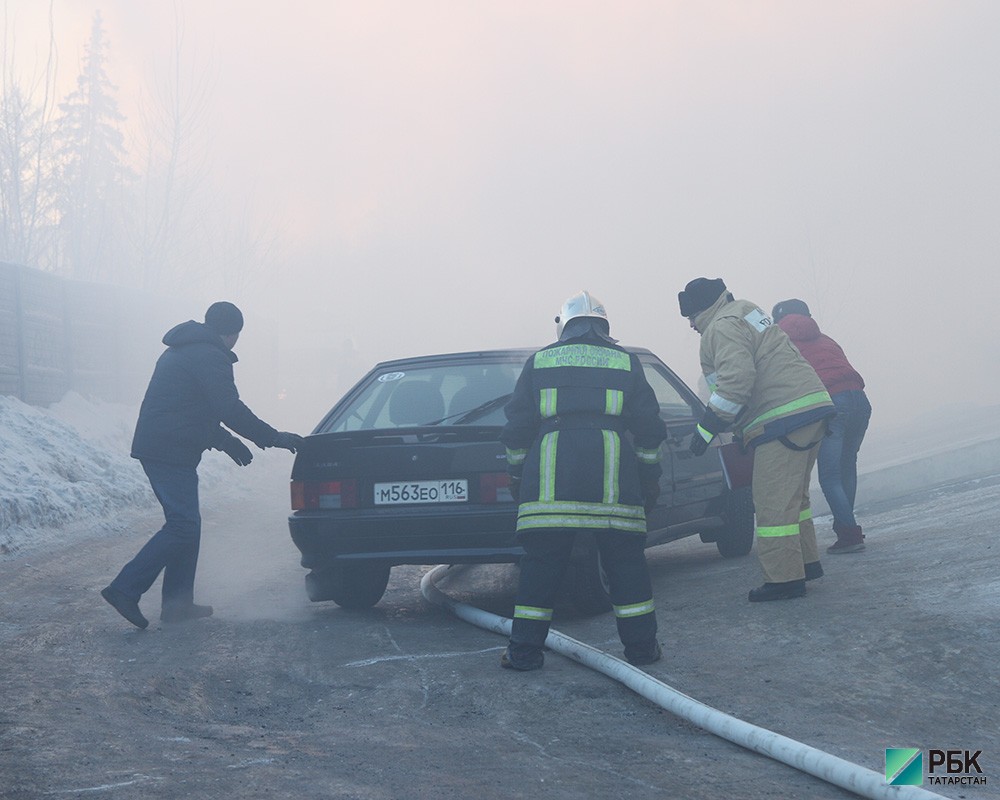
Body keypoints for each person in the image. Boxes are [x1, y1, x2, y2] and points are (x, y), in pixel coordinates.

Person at [101, 301, 305, 629]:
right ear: (233, 333)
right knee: (183, 525)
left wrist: (227, 442)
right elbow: (229, 408)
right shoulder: (209, 355)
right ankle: (125, 589)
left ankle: (177, 604)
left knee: (187, 524)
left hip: (167, 446)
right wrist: (273, 437)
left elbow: (191, 409)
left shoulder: (186, 350)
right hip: (168, 449)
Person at [499, 290, 667, 670]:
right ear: (605, 328)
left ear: (563, 326)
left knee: (540, 570)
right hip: (614, 489)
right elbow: (649, 429)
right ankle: (643, 650)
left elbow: (517, 429)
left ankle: (524, 653)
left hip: (548, 491)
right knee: (626, 566)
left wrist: (516, 475)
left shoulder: (539, 361)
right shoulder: (626, 362)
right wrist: (647, 477)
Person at [678, 278, 835, 602]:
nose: (691, 325)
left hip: (782, 419)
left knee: (771, 504)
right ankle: (806, 563)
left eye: (690, 317)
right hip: (808, 409)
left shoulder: (720, 327)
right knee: (795, 500)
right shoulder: (746, 311)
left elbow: (736, 380)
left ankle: (784, 580)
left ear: (701, 309)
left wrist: (706, 429)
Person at [772, 299, 872, 554]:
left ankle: (849, 535)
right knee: (847, 466)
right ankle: (846, 527)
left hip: (831, 404)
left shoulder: (782, 343)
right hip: (859, 400)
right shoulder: (826, 338)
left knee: (829, 476)